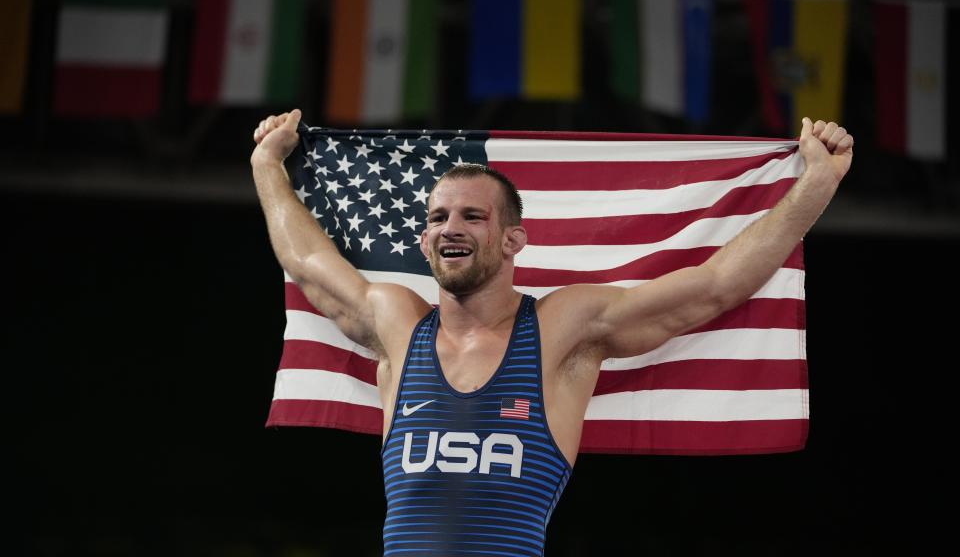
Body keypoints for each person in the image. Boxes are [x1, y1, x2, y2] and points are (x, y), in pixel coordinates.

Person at [251, 109, 853, 556]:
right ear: (423, 240)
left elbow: (716, 285)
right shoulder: (398, 324)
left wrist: (817, 184)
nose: (450, 228)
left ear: (513, 240)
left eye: (472, 216)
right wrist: (266, 165)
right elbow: (306, 263)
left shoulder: (561, 329)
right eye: (437, 218)